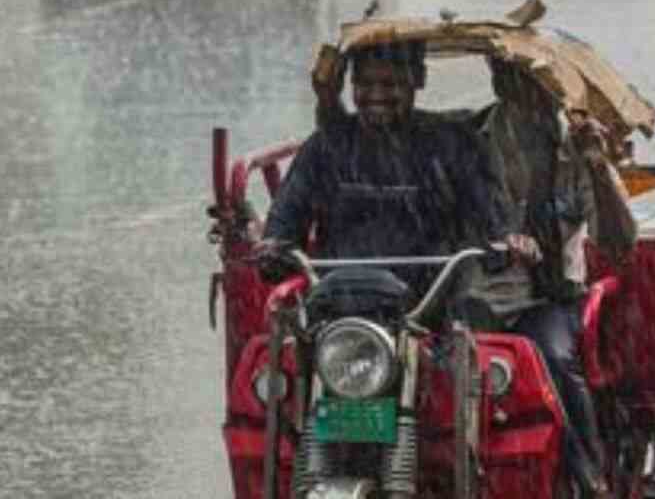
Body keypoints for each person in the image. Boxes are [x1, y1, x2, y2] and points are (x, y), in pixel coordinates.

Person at [255, 41, 531, 278]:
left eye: (390, 84)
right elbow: (284, 222)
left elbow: (492, 220)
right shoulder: (326, 146)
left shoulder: (454, 143)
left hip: (432, 308)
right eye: (364, 84)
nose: (376, 96)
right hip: (340, 311)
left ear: (418, 79)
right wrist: (273, 247)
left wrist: (509, 241)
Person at [470, 58, 613, 497]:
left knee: (547, 356)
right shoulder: (469, 141)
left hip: (552, 299)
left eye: (543, 86)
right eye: (518, 81)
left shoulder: (577, 146)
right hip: (482, 294)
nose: (533, 97)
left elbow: (618, 238)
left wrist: (601, 169)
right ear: (499, 82)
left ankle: (587, 471)